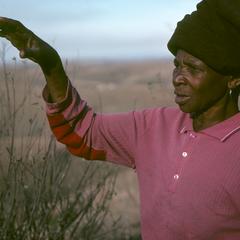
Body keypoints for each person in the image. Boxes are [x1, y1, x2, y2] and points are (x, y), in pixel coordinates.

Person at [1, 0, 240, 239]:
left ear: (232, 79)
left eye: (193, 69)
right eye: (177, 65)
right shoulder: (154, 126)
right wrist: (51, 64)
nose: (178, 77)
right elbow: (83, 131)